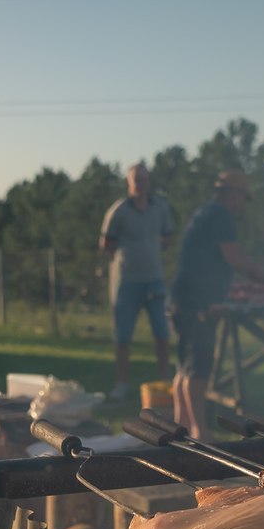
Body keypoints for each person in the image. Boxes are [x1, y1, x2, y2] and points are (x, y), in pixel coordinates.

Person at [168, 169, 264, 440]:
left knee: (185, 367)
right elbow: (234, 257)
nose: (242, 205)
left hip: (182, 299)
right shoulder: (220, 215)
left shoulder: (205, 212)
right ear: (231, 193)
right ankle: (200, 433)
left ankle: (180, 428)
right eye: (242, 198)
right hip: (198, 303)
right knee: (197, 370)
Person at [99, 163, 176, 401]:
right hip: (126, 282)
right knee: (123, 336)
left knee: (162, 332)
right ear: (128, 183)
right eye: (136, 180)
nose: (141, 184)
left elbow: (168, 236)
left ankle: (165, 381)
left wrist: (149, 251)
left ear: (149, 182)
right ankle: (121, 384)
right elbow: (106, 244)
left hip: (155, 280)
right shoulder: (118, 211)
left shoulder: (160, 207)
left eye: (144, 179)